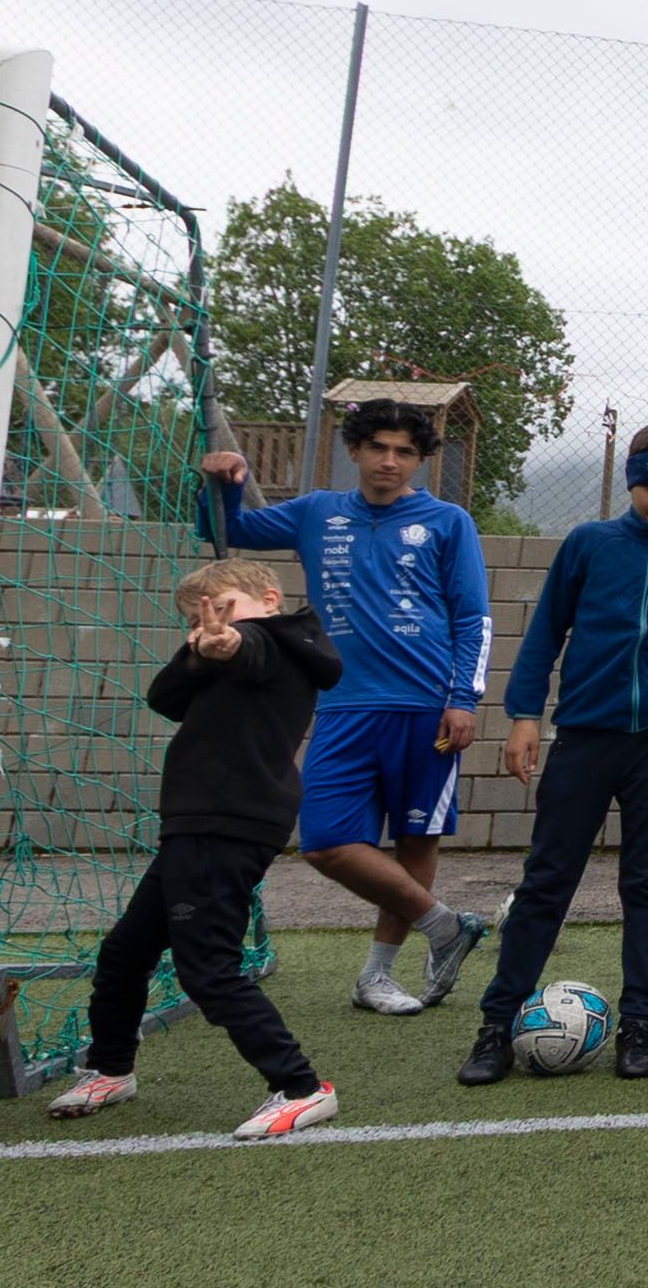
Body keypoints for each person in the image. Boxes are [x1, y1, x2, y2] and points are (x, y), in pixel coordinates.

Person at [458, 422, 648, 1087]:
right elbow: (545, 632)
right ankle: (495, 1026)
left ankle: (639, 1025)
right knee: (546, 882)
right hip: (584, 739)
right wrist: (524, 715)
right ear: (630, 482)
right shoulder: (589, 544)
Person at [197, 399, 491, 1018]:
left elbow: (472, 618)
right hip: (342, 705)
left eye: (404, 452)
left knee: (416, 841)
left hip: (427, 706)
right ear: (354, 450)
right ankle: (444, 926)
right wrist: (226, 483)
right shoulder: (317, 512)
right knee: (325, 842)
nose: (390, 461)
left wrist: (463, 699)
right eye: (378, 447)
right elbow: (231, 532)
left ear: (420, 460)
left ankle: (376, 976)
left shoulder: (447, 521)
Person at [49, 561, 345, 1138]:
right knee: (125, 955)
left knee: (208, 967)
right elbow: (165, 697)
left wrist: (228, 644)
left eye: (222, 607)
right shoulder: (219, 654)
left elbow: (248, 649)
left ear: (269, 598)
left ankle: (301, 1087)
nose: (209, 622)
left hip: (226, 824)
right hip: (198, 825)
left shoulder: (273, 642)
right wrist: (199, 654)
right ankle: (111, 1068)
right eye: (194, 618)